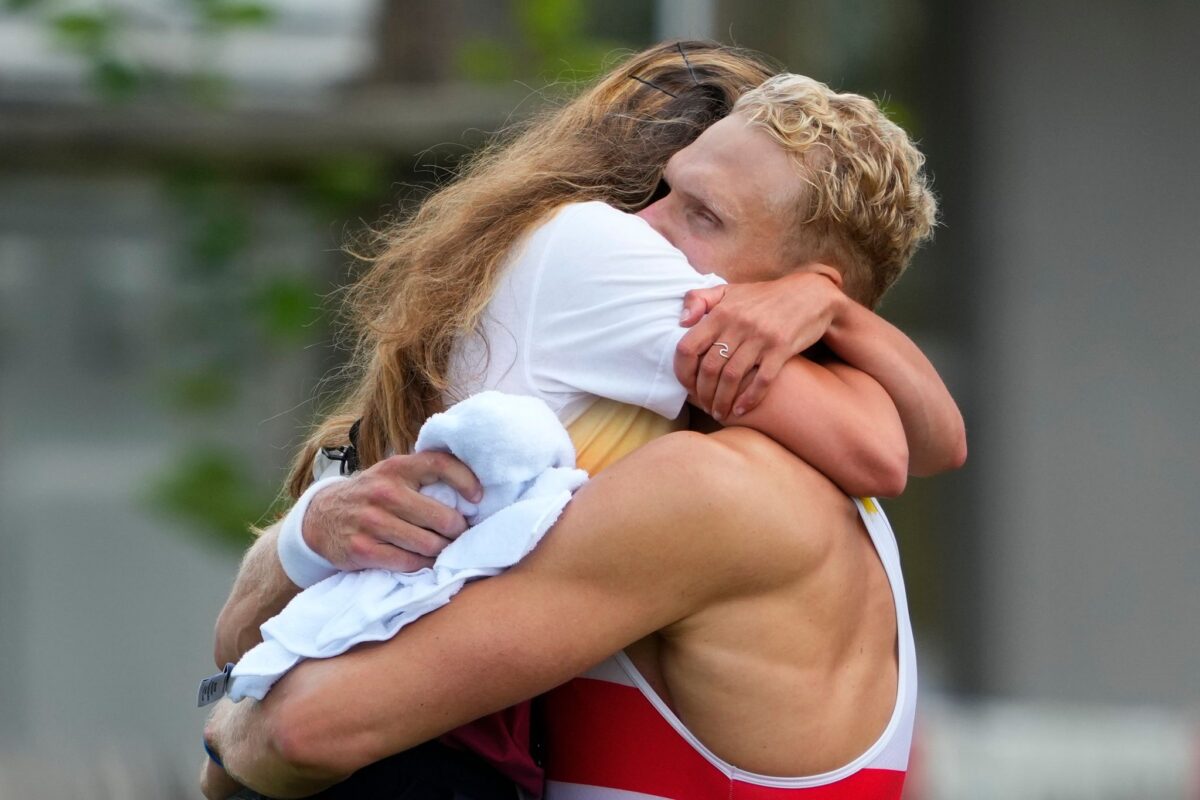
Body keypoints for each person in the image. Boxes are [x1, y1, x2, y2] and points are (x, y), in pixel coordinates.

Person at [204, 45, 961, 799]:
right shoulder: (820, 515)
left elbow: (304, 726)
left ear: (792, 294)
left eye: (702, 215)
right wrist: (307, 534)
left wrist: (224, 737)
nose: (637, 229)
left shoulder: (707, 493)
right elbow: (930, 444)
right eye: (658, 191)